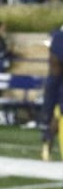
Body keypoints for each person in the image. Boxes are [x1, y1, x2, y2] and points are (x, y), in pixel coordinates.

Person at [41, 23, 62, 160]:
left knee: (55, 115)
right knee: (51, 116)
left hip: (56, 82)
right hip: (56, 83)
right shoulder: (59, 37)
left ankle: (47, 139)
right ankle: (47, 140)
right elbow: (55, 67)